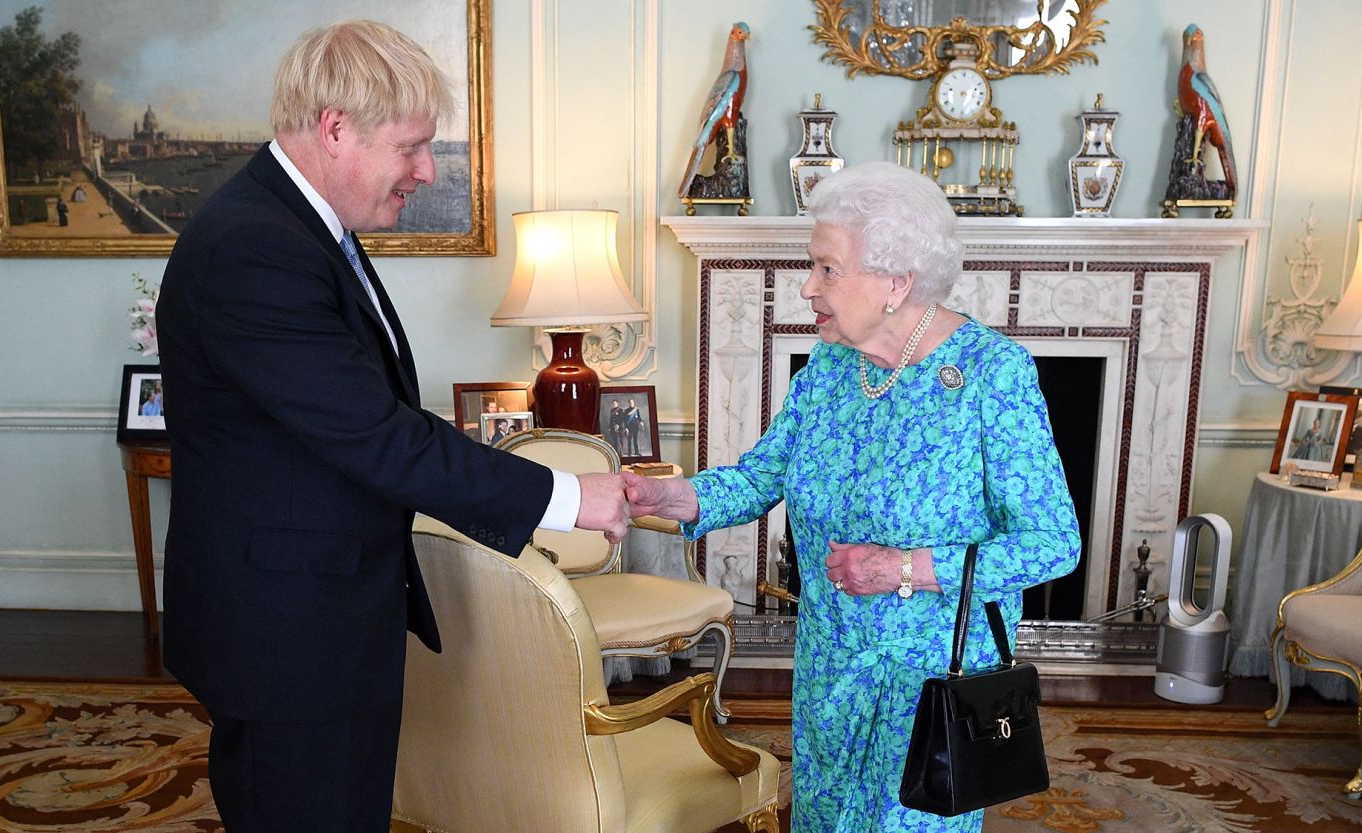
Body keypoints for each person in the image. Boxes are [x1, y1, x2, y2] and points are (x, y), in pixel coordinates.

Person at [153, 21, 629, 833]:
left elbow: (373, 421)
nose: (426, 170)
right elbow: (376, 433)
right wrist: (566, 496)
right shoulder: (252, 248)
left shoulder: (303, 228)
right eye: (411, 146)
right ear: (335, 128)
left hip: (320, 613)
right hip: (286, 634)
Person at [623, 161, 1080, 833]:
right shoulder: (831, 369)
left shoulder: (992, 374)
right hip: (830, 664)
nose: (808, 287)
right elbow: (759, 477)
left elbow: (1052, 542)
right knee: (824, 817)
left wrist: (906, 568)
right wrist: (669, 495)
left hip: (933, 677)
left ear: (897, 282)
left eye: (827, 269)